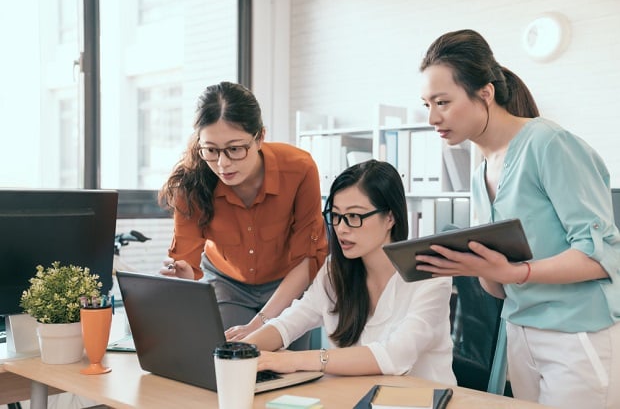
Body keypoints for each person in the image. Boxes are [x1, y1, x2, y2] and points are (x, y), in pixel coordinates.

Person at [417, 29, 620, 408]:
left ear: (486, 93)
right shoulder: (479, 173)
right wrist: (473, 266)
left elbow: (602, 256)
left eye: (442, 101)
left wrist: (515, 273)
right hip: (521, 334)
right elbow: (498, 286)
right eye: (426, 103)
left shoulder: (549, 144)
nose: (432, 117)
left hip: (577, 335)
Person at [242, 160, 456, 383]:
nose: (341, 228)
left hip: (423, 402)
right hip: (354, 399)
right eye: (335, 216)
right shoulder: (334, 271)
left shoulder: (430, 275)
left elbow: (395, 356)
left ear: (390, 218)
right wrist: (238, 352)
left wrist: (295, 361)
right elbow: (288, 323)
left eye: (354, 216)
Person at [158, 82, 328, 349]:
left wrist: (262, 322)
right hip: (228, 283)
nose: (223, 164)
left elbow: (309, 258)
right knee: (230, 358)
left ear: (260, 137)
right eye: (211, 150)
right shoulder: (191, 182)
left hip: (288, 280)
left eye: (235, 149)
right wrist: (184, 275)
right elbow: (187, 263)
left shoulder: (300, 169)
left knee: (289, 367)